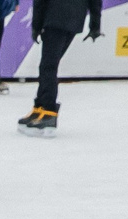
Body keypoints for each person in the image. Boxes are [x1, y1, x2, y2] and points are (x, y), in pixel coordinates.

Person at [18, 0, 99, 138]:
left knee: (48, 67)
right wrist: (95, 25)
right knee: (48, 66)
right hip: (73, 20)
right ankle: (40, 108)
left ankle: (48, 111)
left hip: (54, 19)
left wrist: (36, 26)